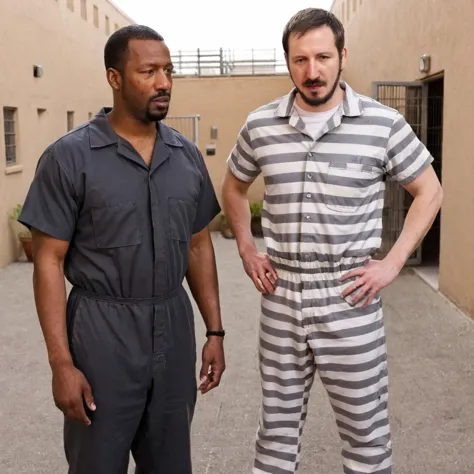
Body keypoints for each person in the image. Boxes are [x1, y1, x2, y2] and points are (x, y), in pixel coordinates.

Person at [222, 8, 442, 474]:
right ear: (287, 62)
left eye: (323, 56)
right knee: (275, 433)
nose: (312, 70)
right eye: (300, 59)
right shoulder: (260, 125)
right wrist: (245, 247)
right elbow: (233, 186)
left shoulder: (382, 124)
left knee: (366, 432)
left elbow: (429, 190)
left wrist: (392, 262)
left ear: (343, 56)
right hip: (281, 294)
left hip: (349, 293)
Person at [18, 25, 225, 474]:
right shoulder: (70, 158)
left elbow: (198, 242)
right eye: (147, 71)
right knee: (97, 464)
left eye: (168, 70)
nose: (164, 82)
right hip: (101, 334)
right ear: (114, 78)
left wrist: (215, 332)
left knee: (171, 463)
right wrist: (61, 364)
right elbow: (48, 261)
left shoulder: (186, 157)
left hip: (172, 329)